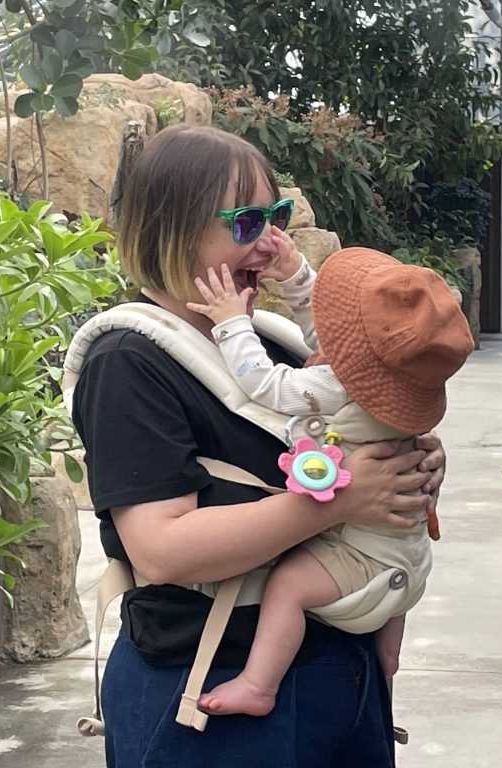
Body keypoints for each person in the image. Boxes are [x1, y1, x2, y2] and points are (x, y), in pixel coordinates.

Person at [68, 123, 447, 768]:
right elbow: (161, 550)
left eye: (276, 216)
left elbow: (345, 432)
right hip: (208, 686)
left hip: (333, 671)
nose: (270, 240)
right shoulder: (129, 361)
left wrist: (410, 461)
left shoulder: (270, 342)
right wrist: (343, 498)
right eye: (246, 222)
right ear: (170, 228)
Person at [184, 247, 473, 718]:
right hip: (409, 554)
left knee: (288, 587)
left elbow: (266, 383)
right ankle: (387, 659)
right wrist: (295, 272)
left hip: (366, 557)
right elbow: (333, 333)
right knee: (391, 591)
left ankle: (259, 685)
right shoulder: (392, 380)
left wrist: (230, 321)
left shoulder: (334, 386)